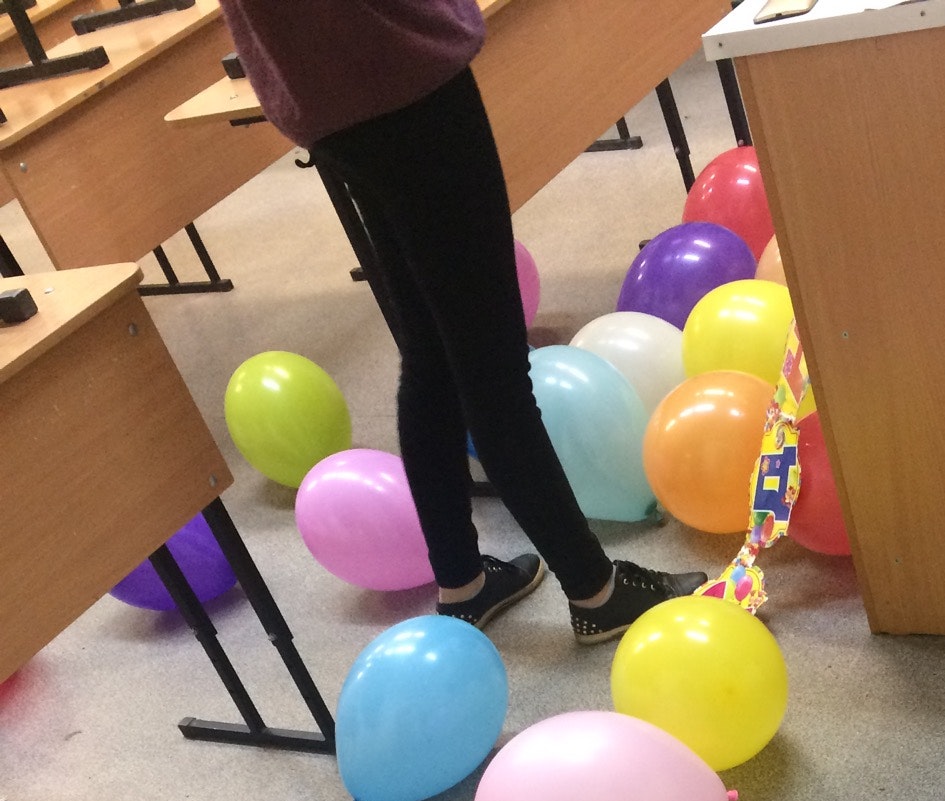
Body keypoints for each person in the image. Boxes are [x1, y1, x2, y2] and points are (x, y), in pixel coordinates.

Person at [215, 0, 706, 643]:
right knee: (491, 366)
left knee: (433, 353)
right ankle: (598, 591)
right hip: (396, 66)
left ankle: (463, 582)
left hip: (329, 91)